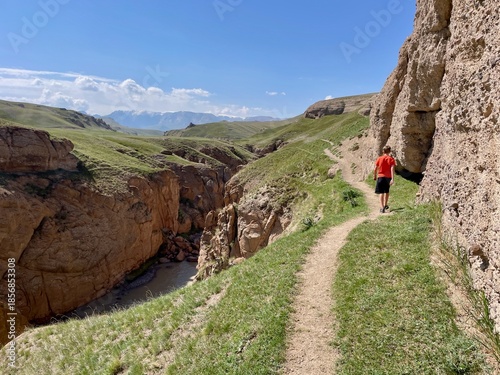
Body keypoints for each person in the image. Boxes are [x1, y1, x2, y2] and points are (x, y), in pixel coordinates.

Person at [373, 145, 396, 213]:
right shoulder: (391, 159)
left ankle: (382, 207)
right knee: (387, 191)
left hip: (380, 177)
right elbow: (392, 169)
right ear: (390, 151)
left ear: (383, 151)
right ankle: (385, 204)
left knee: (381, 192)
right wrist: (392, 179)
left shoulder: (379, 158)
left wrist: (374, 176)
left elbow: (375, 168)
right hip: (388, 177)